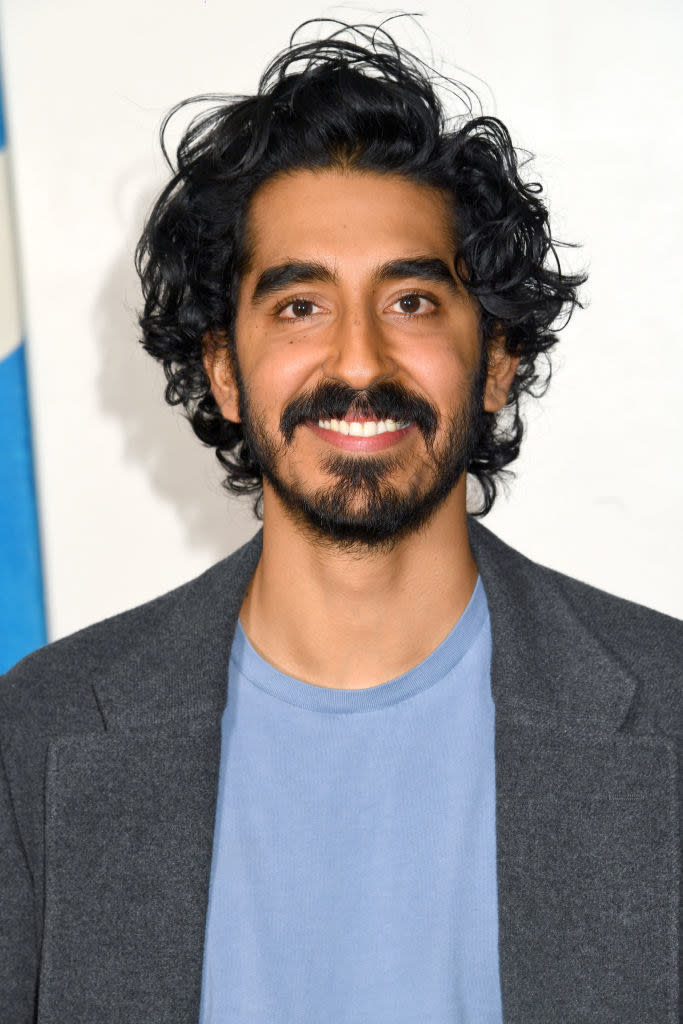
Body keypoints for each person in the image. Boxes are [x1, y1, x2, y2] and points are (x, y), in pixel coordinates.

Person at [0, 19, 679, 1024]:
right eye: (298, 307)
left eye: (409, 301)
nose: (358, 363)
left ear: (495, 357)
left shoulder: (665, 715)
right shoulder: (39, 734)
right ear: (223, 370)